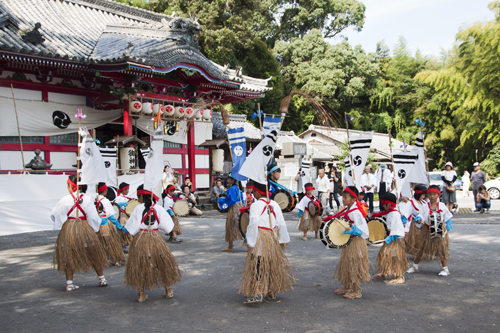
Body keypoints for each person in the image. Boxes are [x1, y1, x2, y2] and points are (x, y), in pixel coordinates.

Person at [240, 180, 295, 304]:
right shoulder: (275, 204)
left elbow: (253, 221)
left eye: (254, 191)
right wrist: (282, 240)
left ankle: (257, 292)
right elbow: (281, 223)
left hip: (261, 237)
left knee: (257, 265)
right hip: (273, 237)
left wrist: (251, 239)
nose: (252, 193)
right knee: (271, 264)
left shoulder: (256, 205)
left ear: (258, 192)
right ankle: (271, 290)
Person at [50, 175, 109, 291]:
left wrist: (63, 223)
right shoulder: (87, 199)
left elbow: (55, 214)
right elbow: (93, 217)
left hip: (70, 229)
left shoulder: (64, 199)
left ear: (70, 186)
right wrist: (95, 228)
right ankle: (102, 278)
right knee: (93, 253)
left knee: (70, 255)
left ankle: (69, 283)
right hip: (84, 228)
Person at [124, 185, 181, 302]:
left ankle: (141, 294)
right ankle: (168, 290)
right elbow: (168, 228)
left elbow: (131, 229)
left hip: (141, 239)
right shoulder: (159, 208)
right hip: (156, 239)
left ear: (141, 197)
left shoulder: (138, 209)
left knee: (140, 265)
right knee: (162, 264)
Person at [326, 186, 370, 299]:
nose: (343, 199)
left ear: (354, 199)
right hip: (348, 242)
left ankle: (356, 290)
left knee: (354, 264)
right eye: (343, 197)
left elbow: (364, 229)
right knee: (347, 263)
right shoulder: (347, 210)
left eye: (346, 197)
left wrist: (354, 230)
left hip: (356, 242)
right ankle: (347, 285)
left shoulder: (356, 212)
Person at [407, 185, 453, 276]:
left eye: (434, 194)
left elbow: (447, 216)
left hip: (439, 230)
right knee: (420, 249)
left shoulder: (442, 206)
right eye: (430, 194)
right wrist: (419, 219)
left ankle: (445, 269)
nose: (432, 196)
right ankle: (415, 266)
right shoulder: (425, 206)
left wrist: (449, 223)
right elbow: (421, 215)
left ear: (438, 195)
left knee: (441, 249)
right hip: (426, 230)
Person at [373, 193, 407, 284]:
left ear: (388, 204)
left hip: (395, 239)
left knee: (395, 257)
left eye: (384, 205)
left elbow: (397, 228)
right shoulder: (390, 212)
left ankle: (399, 276)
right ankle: (385, 271)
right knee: (387, 255)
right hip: (390, 238)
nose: (383, 206)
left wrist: (392, 237)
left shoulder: (395, 214)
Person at [95, 182, 126, 266]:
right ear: (105, 191)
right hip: (106, 224)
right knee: (112, 242)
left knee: (100, 243)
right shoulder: (105, 201)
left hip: (97, 224)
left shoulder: (94, 199)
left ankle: (101, 260)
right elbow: (110, 215)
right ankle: (116, 259)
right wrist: (118, 225)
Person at [218, 173, 244, 252]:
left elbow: (232, 200)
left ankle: (230, 246)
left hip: (234, 208)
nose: (228, 180)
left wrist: (222, 201)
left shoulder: (233, 188)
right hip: (239, 207)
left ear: (233, 180)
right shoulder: (237, 188)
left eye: (229, 179)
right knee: (241, 226)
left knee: (230, 226)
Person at [399, 185, 427, 257]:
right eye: (423, 194)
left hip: (423, 224)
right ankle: (415, 252)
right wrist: (404, 220)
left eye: (424, 195)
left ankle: (422, 251)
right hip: (413, 224)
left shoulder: (424, 202)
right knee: (415, 239)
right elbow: (406, 212)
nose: (424, 196)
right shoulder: (411, 202)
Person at [113, 182, 134, 251]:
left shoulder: (124, 198)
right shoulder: (119, 198)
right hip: (122, 216)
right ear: (124, 190)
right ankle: (122, 245)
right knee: (122, 231)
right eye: (127, 189)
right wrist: (119, 204)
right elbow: (115, 206)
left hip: (125, 215)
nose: (128, 191)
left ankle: (125, 244)